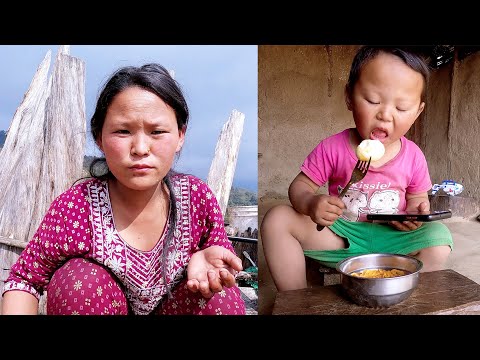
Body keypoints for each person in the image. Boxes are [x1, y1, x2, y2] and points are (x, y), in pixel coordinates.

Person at [2, 63, 246, 315]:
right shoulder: (77, 207)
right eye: (123, 131)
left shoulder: (197, 199)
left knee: (220, 294)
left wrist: (207, 260)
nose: (140, 148)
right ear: (99, 138)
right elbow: (24, 280)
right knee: (80, 282)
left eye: (157, 131)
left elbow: (220, 254)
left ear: (180, 135)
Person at [261, 46, 454, 292]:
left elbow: (417, 199)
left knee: (439, 237)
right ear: (349, 97)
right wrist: (310, 203)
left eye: (402, 107)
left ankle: (401, 290)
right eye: (373, 100)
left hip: (392, 240)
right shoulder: (333, 147)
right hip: (341, 237)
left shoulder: (414, 155)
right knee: (277, 219)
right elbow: (300, 186)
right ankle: (296, 299)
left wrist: (415, 215)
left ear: (417, 112)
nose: (385, 115)